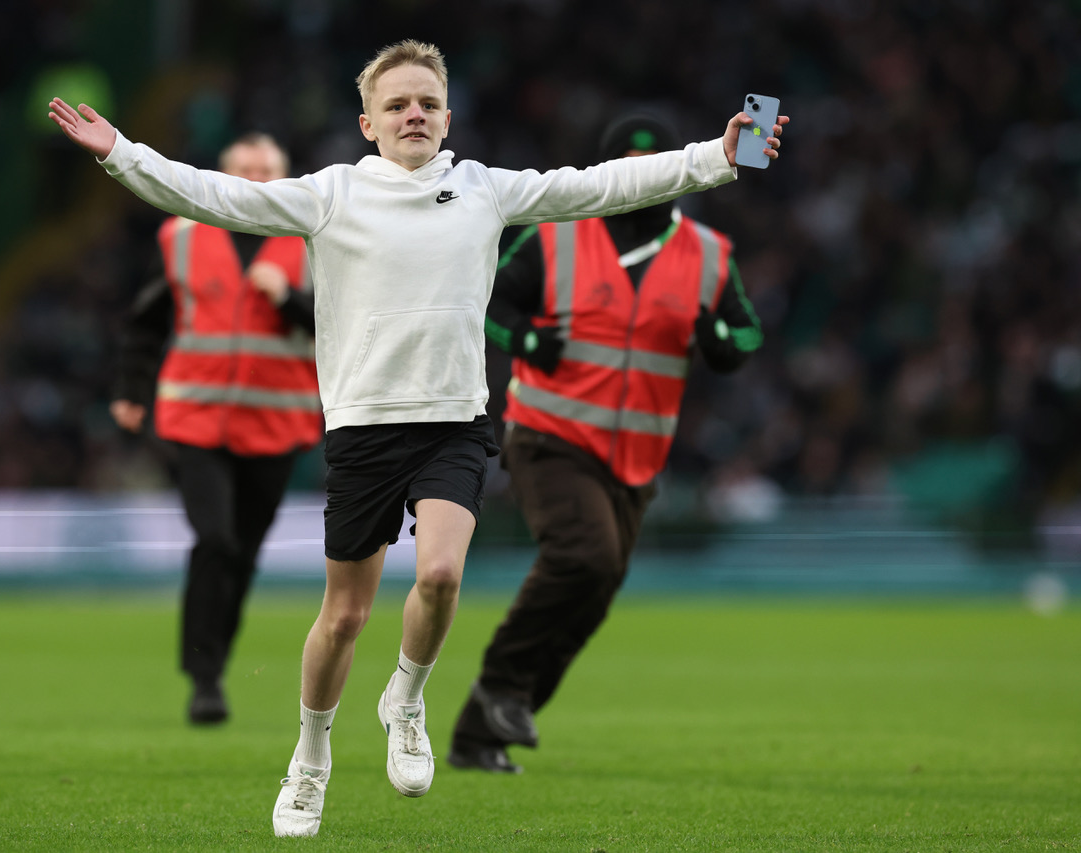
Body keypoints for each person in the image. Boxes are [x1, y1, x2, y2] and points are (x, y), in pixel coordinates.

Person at [48, 39, 787, 838]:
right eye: (398, 104)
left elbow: (602, 185)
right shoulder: (331, 195)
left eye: (428, 103)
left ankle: (406, 698)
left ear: (447, 117)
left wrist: (719, 155)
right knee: (344, 617)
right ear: (368, 122)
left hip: (455, 422)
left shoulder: (483, 191)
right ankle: (311, 755)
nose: (414, 115)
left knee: (438, 574)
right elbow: (215, 196)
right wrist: (121, 154)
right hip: (364, 429)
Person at [447, 110, 766, 774]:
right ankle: (504, 683)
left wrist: (721, 345)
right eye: (623, 162)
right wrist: (527, 337)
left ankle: (483, 728)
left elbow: (748, 334)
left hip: (636, 457)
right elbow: (487, 303)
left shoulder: (709, 254)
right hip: (549, 434)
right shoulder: (557, 236)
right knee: (586, 556)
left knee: (596, 587)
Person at [110, 133, 321, 726]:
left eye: (267, 169)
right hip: (196, 419)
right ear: (221, 176)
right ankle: (203, 679)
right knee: (216, 542)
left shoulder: (312, 240)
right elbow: (147, 322)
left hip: (277, 422)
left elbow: (344, 324)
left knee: (244, 556)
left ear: (284, 179)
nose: (255, 177)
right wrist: (130, 388)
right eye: (244, 168)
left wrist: (290, 301)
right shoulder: (181, 235)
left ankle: (216, 661)